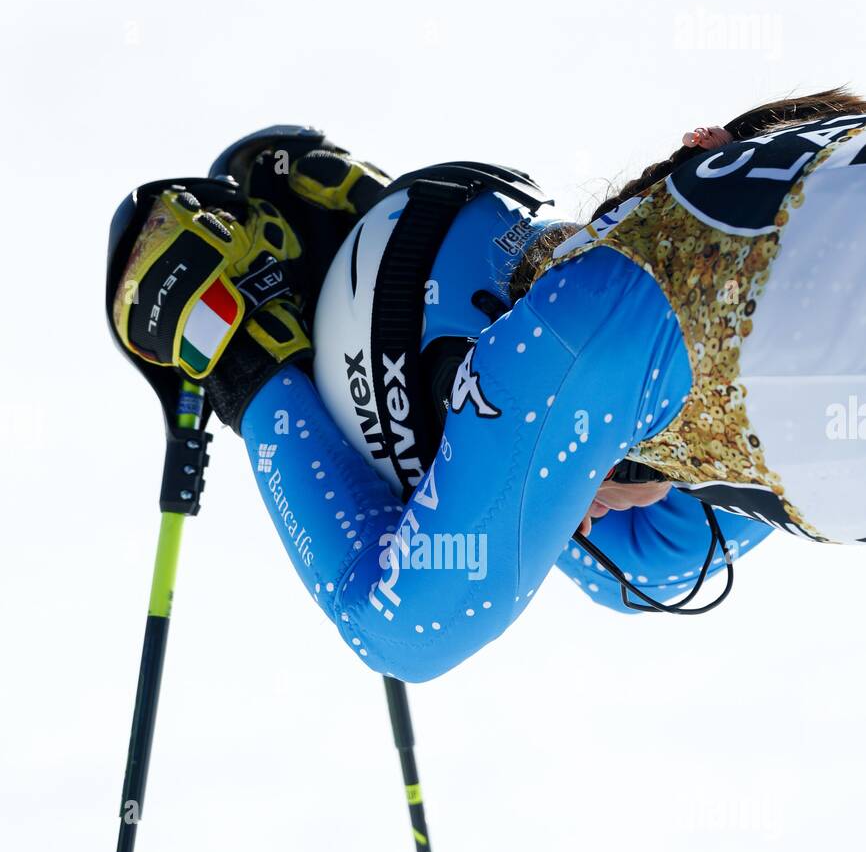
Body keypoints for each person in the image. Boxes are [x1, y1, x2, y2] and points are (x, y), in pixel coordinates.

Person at [108, 88, 866, 682]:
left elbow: (402, 630)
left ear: (460, 377)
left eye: (456, 460)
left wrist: (250, 368)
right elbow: (651, 555)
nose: (570, 523)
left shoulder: (579, 333)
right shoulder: (696, 302)